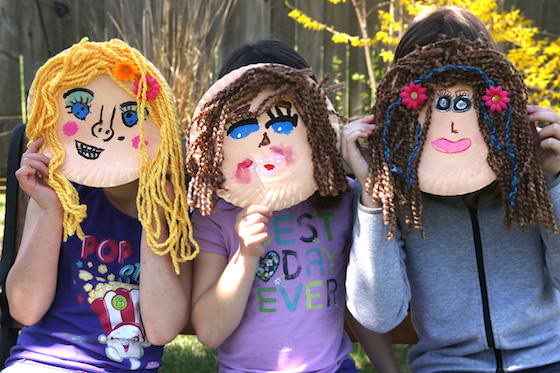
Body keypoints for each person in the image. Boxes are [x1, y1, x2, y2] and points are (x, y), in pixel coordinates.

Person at [343, 6, 560, 373]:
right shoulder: (399, 196)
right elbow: (377, 313)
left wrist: (552, 182)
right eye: (433, 101)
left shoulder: (529, 179)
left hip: (547, 358)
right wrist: (374, 198)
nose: (453, 125)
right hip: (447, 365)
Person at [187, 40, 400, 373]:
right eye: (243, 128)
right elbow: (210, 332)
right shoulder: (214, 214)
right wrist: (245, 256)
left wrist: (391, 369)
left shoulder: (341, 200)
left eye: (284, 124)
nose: (266, 141)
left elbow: (362, 304)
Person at [3, 39, 196, 372]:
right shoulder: (59, 192)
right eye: (82, 109)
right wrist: (49, 210)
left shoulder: (172, 209)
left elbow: (163, 329)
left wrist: (154, 219)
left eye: (129, 116)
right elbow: (24, 310)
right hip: (41, 362)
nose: (103, 129)